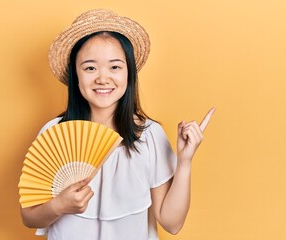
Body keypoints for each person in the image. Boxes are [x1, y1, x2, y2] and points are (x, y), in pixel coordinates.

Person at [20, 9, 215, 240]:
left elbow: (172, 223)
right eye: (90, 67)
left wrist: (185, 161)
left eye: (115, 67)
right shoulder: (53, 133)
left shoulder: (150, 135)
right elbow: (28, 217)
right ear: (76, 74)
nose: (103, 78)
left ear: (129, 74)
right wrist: (59, 207)